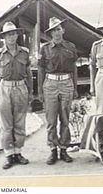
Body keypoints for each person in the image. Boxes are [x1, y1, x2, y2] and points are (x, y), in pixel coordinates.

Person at [0, 22, 33, 169]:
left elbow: (29, 74)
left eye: (13, 34)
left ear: (17, 35)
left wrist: (30, 93)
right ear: (4, 37)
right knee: (7, 124)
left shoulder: (25, 52)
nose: (11, 37)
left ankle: (18, 152)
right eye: (8, 34)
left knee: (20, 123)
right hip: (5, 88)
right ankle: (9, 154)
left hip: (21, 87)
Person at [38, 17, 78, 165]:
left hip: (67, 83)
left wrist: (74, 86)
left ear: (63, 30)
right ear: (50, 33)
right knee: (51, 120)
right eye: (54, 30)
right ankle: (53, 150)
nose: (57, 32)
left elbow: (74, 68)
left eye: (59, 29)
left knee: (65, 119)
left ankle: (64, 149)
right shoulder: (45, 48)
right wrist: (41, 91)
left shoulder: (71, 46)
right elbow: (41, 70)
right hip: (50, 84)